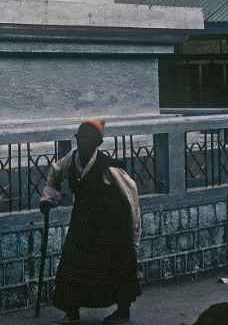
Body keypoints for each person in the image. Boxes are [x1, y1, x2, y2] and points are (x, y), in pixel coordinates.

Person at [39, 120, 141, 324]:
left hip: (112, 224)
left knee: (117, 265)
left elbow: (130, 194)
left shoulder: (109, 168)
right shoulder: (73, 158)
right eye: (80, 137)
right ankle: (72, 312)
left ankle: (123, 312)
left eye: (88, 138)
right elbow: (56, 172)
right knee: (73, 264)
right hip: (84, 222)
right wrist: (49, 198)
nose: (83, 142)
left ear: (98, 143)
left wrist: (134, 231)